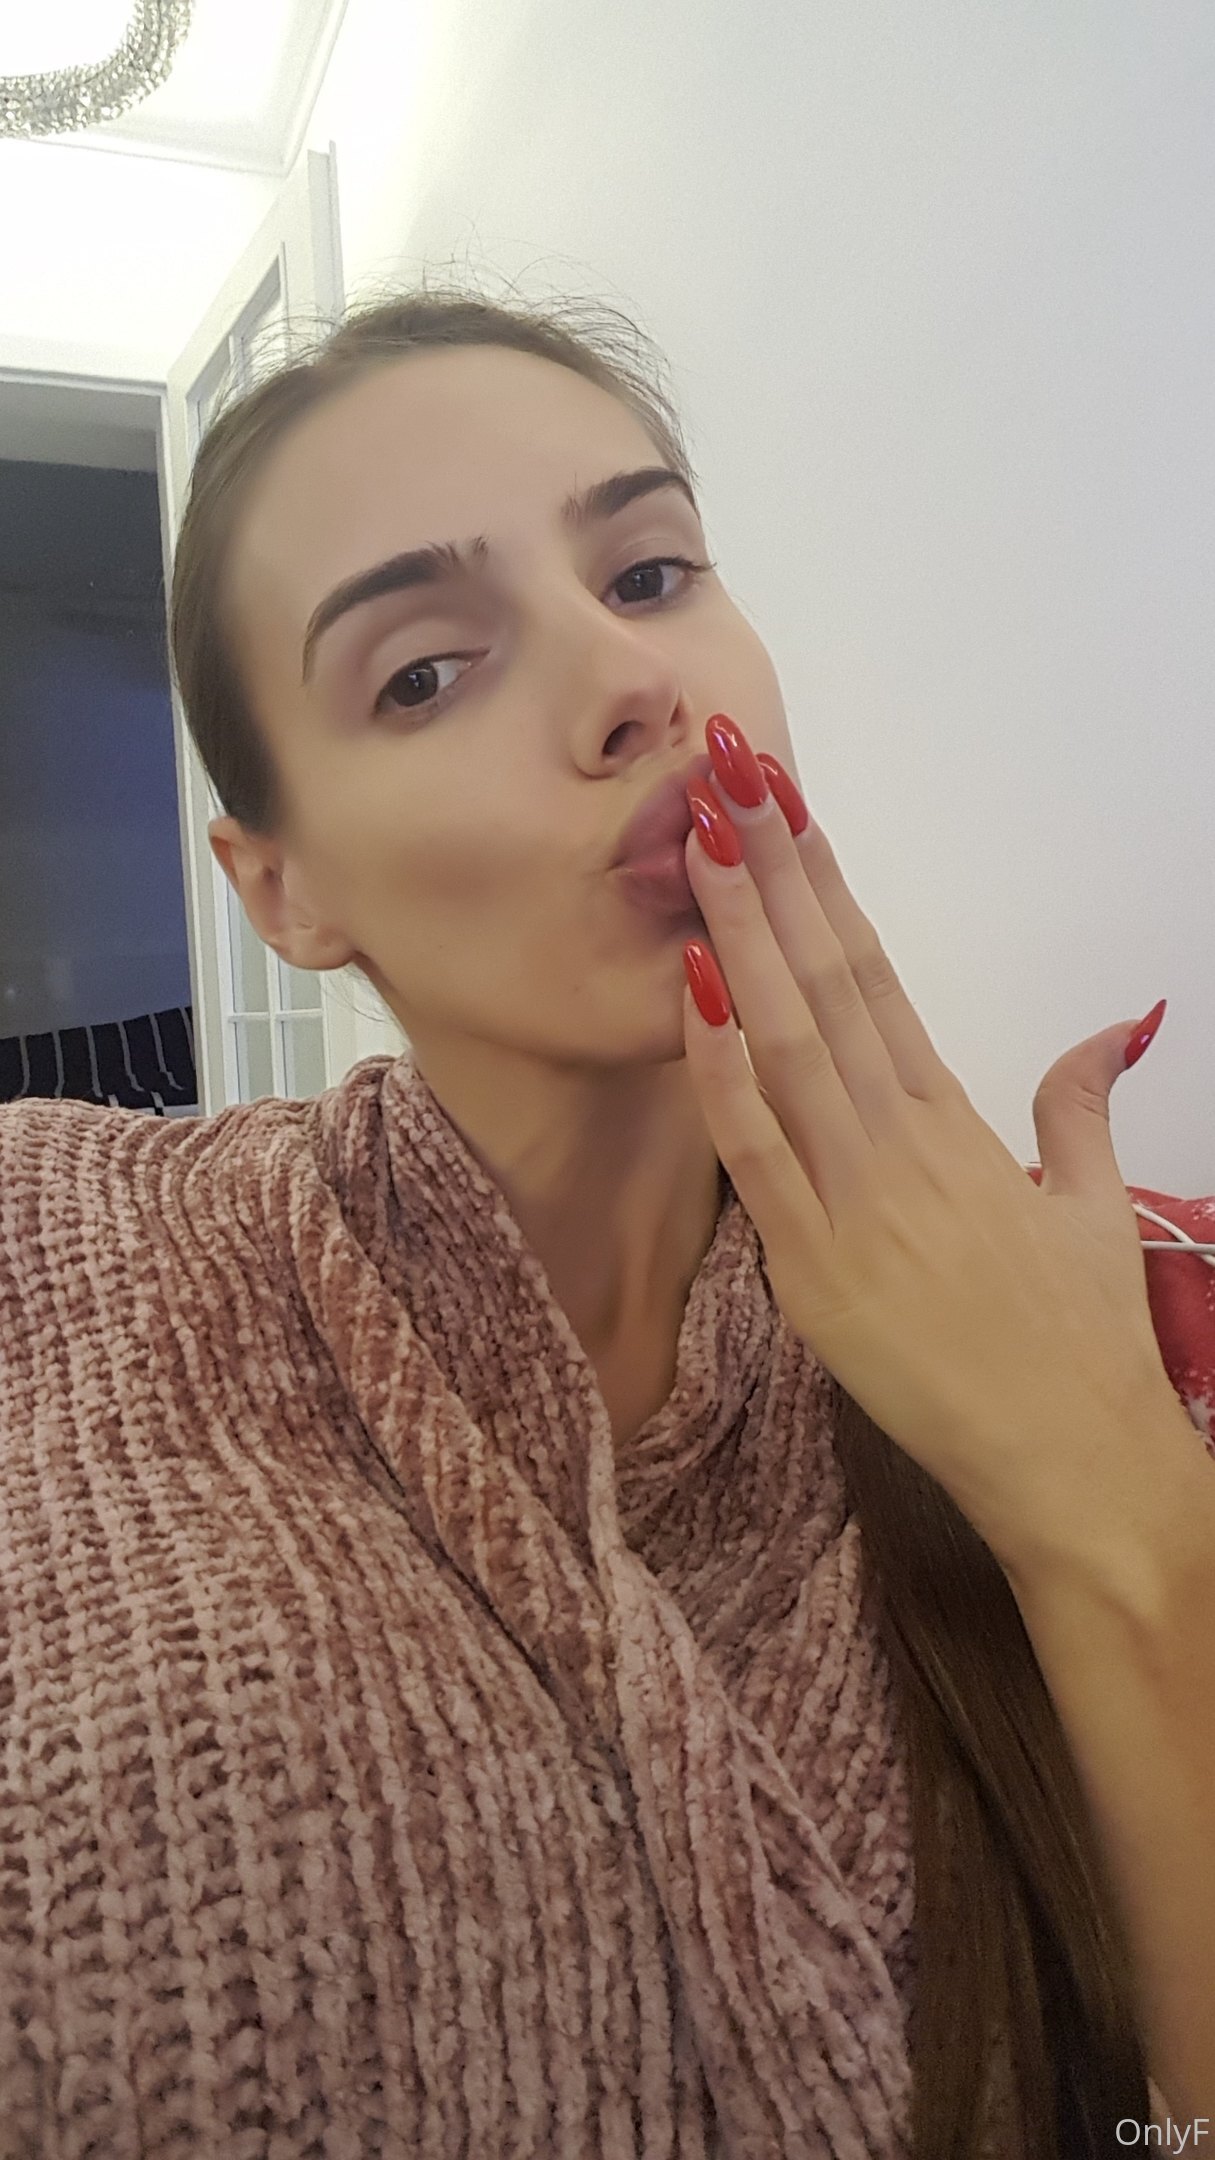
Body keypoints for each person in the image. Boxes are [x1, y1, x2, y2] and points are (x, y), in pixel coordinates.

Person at [1, 280, 1204, 2157]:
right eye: (423, 671)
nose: (633, 681)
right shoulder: (53, 1250)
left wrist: (1117, 1512)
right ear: (282, 886)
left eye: (649, 574)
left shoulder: (1146, 1312)